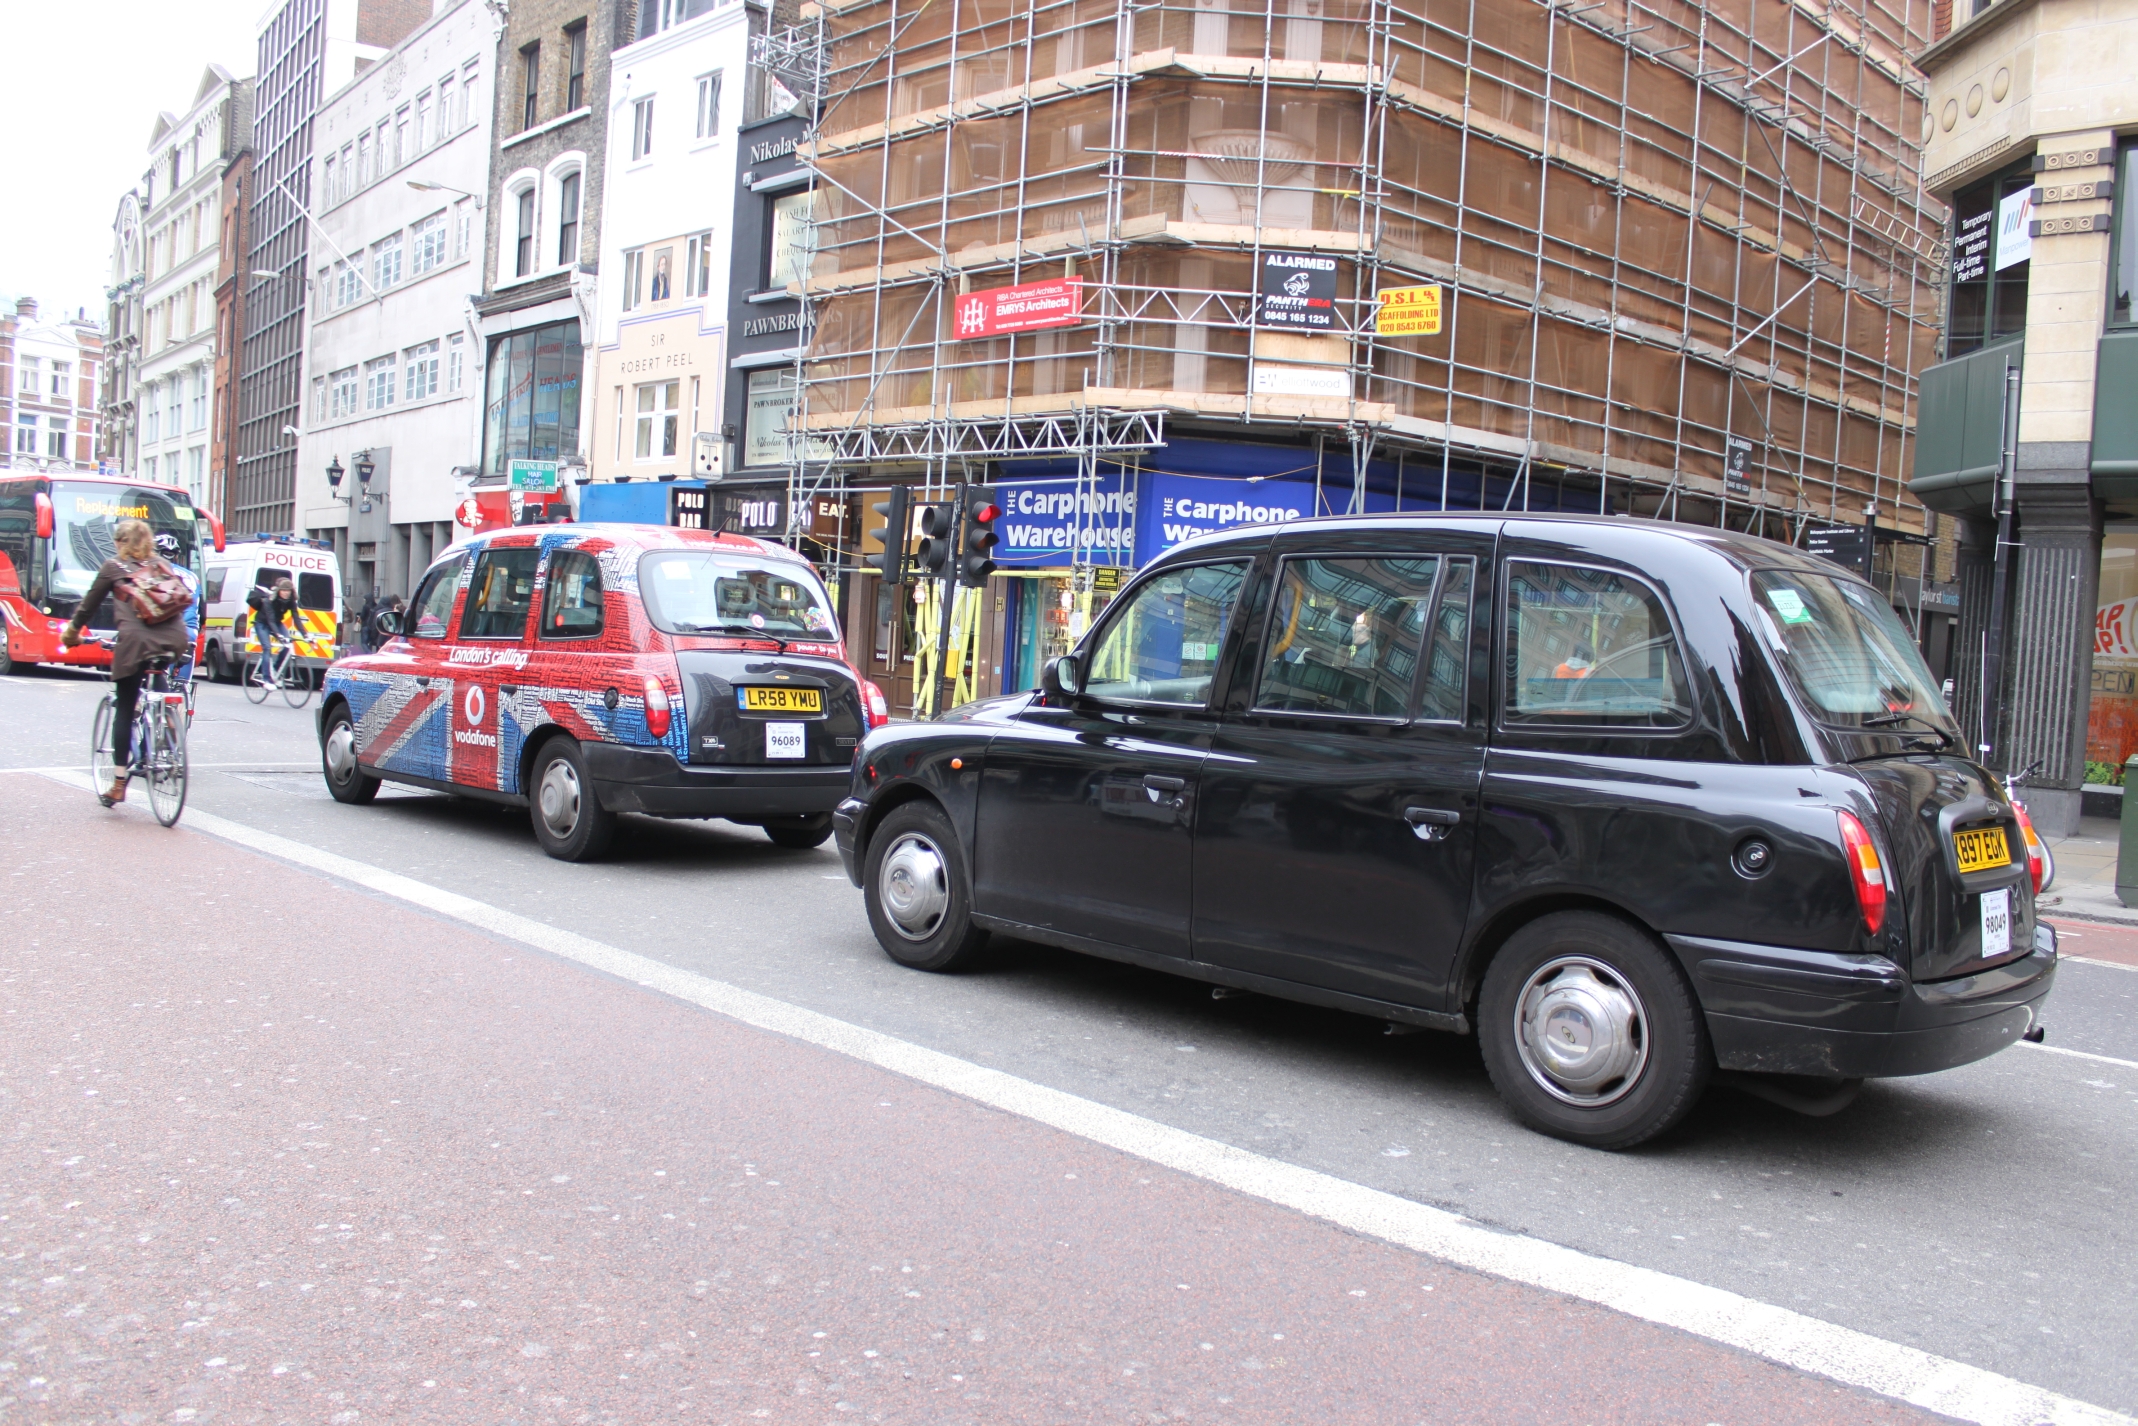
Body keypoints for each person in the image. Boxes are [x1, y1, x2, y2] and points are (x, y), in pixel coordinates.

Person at [57, 518, 195, 805]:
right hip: (175, 639)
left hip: (134, 644)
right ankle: (167, 727)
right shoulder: (162, 565)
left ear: (121, 543)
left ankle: (119, 783)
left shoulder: (113, 568)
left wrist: (71, 634)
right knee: (159, 681)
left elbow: (87, 607)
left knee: (125, 706)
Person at [246, 577, 298, 682]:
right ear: (278, 591)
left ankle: (275, 670)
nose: (286, 593)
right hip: (262, 624)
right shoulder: (269, 601)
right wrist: (279, 635)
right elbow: (270, 620)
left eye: (288, 590)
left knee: (288, 646)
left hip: (277, 623)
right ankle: (267, 679)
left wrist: (306, 635)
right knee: (267, 648)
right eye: (283, 590)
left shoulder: (291, 601)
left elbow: (296, 618)